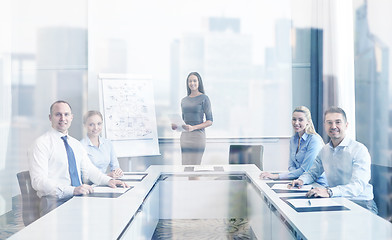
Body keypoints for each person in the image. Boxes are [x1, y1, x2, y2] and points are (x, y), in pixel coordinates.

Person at [28, 100, 128, 216]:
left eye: (66, 114)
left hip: (78, 199)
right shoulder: (41, 144)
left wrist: (109, 181)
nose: (63, 118)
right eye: (58, 114)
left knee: (110, 212)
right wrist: (73, 190)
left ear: (71, 117)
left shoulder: (76, 144)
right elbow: (38, 181)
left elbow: (90, 170)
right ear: (50, 118)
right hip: (54, 203)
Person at [288, 107, 378, 214]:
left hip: (361, 203)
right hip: (337, 200)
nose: (333, 126)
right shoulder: (324, 150)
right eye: (329, 123)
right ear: (325, 126)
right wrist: (301, 180)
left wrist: (329, 192)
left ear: (346, 125)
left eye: (338, 122)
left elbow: (357, 186)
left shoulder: (359, 149)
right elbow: (312, 173)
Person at [260, 106, 327, 186]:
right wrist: (294, 175)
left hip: (318, 184)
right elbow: (291, 166)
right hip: (299, 181)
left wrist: (276, 176)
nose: (296, 123)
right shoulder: (293, 139)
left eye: (300, 120)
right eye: (294, 119)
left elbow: (305, 170)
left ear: (308, 122)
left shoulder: (314, 140)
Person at [172, 72, 213, 165]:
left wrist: (193, 128)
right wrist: (176, 126)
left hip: (198, 137)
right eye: (190, 81)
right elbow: (184, 121)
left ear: (199, 82)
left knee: (195, 167)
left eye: (194, 81)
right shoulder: (184, 100)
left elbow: (210, 121)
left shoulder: (204, 98)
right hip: (185, 137)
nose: (192, 83)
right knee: (185, 168)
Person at [80, 111, 123, 178]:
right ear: (85, 126)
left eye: (99, 124)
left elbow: (115, 166)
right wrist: (106, 176)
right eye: (91, 124)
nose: (96, 128)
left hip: (107, 182)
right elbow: (84, 176)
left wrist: (117, 172)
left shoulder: (108, 143)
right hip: (90, 185)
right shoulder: (81, 146)